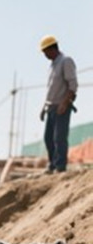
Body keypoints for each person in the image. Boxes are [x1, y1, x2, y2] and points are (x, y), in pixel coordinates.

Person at [39, 35, 77, 174]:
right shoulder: (52, 65)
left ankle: (60, 167)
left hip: (62, 107)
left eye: (45, 51)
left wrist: (65, 103)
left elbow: (73, 85)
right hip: (51, 107)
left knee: (59, 138)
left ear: (52, 48)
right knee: (48, 138)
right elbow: (51, 89)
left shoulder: (66, 61)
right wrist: (44, 108)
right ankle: (52, 165)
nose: (44, 55)